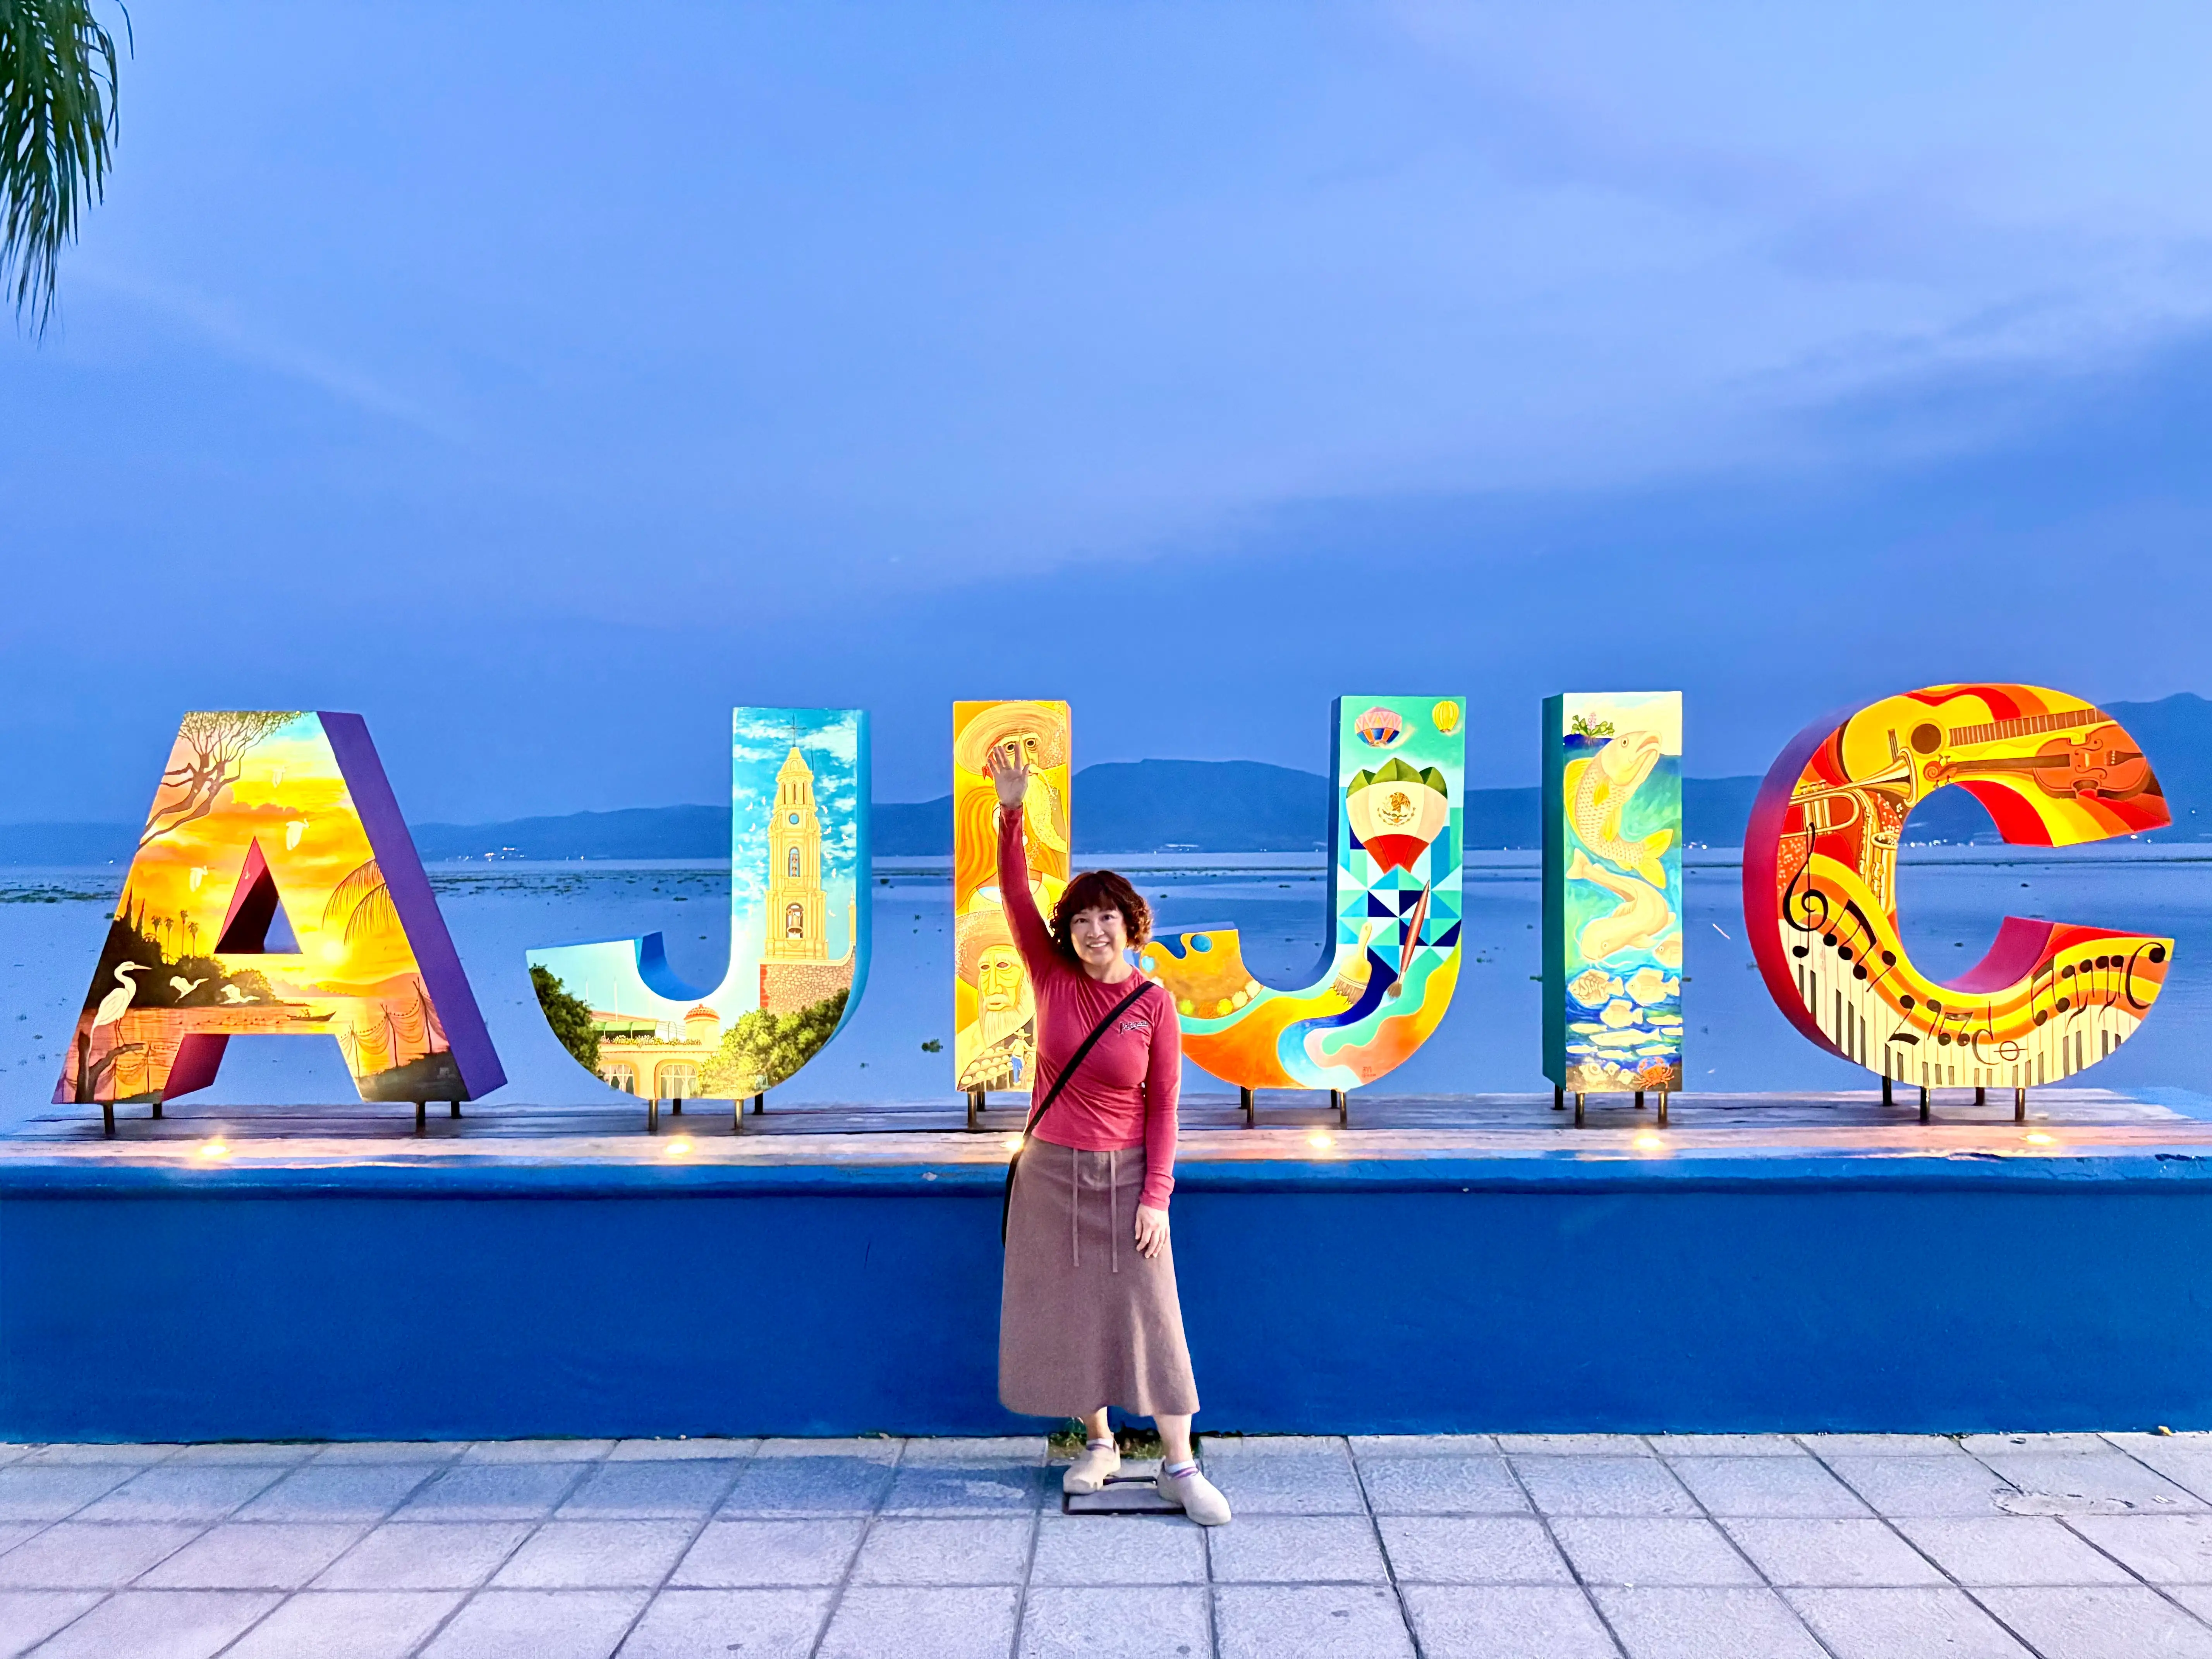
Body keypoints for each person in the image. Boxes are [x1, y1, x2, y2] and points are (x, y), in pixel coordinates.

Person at [985, 739, 1231, 1527]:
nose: (1095, 932)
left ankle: (1180, 1463)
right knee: (1069, 1307)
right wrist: (1013, 810)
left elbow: (1165, 1107)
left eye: (1108, 919)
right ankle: (1097, 1441)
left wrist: (1157, 1196)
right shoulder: (1051, 975)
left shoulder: (1155, 1004)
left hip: (1129, 1173)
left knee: (1150, 1310)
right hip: (1052, 1172)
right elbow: (1016, 895)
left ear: (1133, 925)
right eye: (1083, 921)